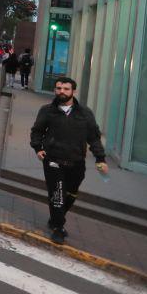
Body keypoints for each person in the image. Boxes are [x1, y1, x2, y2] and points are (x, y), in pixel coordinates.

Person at [30, 76, 106, 244]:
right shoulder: (47, 110)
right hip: (53, 160)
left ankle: (55, 218)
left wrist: (100, 158)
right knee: (57, 194)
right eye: (58, 88)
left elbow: (93, 137)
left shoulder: (85, 113)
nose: (61, 92)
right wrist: (38, 148)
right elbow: (37, 131)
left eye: (65, 89)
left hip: (76, 162)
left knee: (70, 194)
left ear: (73, 91)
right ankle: (58, 228)